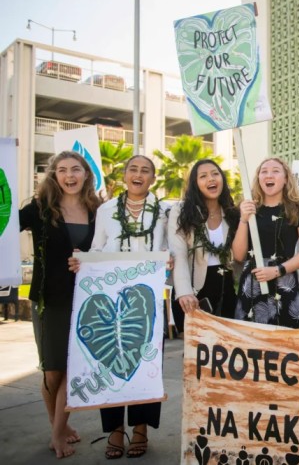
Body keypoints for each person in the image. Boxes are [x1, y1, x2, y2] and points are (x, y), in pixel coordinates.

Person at [83, 155, 170, 459]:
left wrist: (167, 259)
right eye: (133, 169)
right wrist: (82, 263)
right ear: (124, 176)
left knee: (146, 364)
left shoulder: (163, 212)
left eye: (145, 170)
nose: (138, 174)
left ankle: (141, 427)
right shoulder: (106, 210)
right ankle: (115, 430)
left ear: (153, 178)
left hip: (148, 302)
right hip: (110, 300)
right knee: (110, 362)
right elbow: (96, 248)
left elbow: (167, 249)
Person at [19, 151, 100, 458]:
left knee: (70, 368)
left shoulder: (98, 209)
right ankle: (59, 427)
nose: (69, 175)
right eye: (62, 170)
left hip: (88, 298)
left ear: (85, 174)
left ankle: (57, 433)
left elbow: (109, 247)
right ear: (53, 175)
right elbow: (5, 226)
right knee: (51, 369)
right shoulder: (39, 209)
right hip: (49, 298)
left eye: (75, 169)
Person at [232, 157, 299, 327]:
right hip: (253, 283)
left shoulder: (298, 208)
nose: (269, 175)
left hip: (284, 282)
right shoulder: (249, 208)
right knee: (251, 343)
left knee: (287, 344)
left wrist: (277, 271)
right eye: (264, 171)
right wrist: (243, 220)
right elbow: (239, 255)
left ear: (286, 179)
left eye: (275, 171)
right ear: (259, 179)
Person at [169, 159, 239, 327]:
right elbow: (178, 253)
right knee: (196, 349)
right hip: (194, 287)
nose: (211, 179)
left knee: (226, 347)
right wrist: (184, 292)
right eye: (203, 176)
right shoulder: (181, 211)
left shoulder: (232, 213)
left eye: (215, 174)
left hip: (226, 285)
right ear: (195, 183)